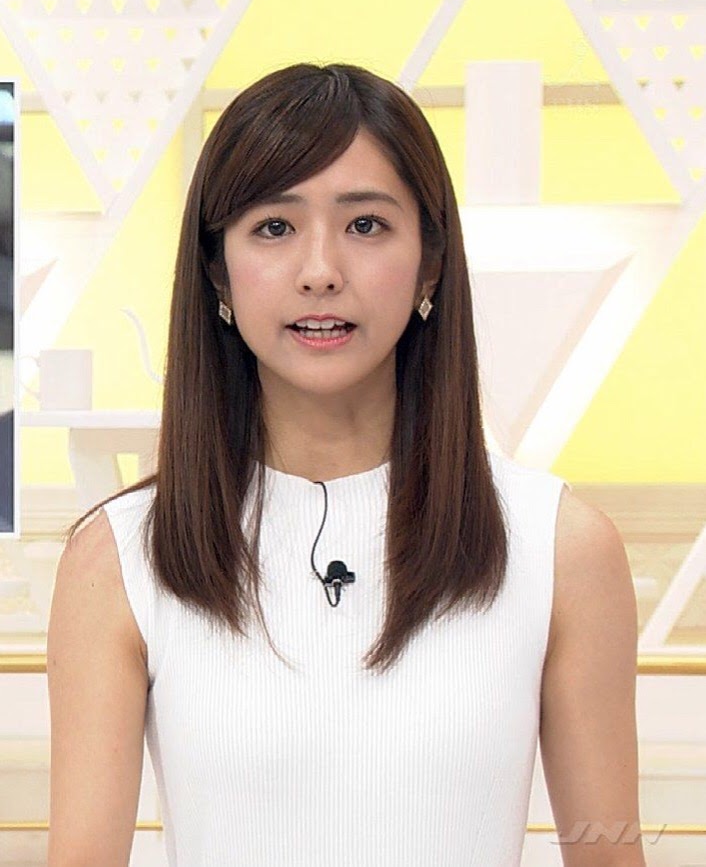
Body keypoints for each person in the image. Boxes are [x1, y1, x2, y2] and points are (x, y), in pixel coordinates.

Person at [46, 62, 645, 866]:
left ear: (430, 262)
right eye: (274, 226)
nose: (320, 270)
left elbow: (610, 853)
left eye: (365, 224)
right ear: (217, 270)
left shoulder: (563, 548)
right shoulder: (119, 559)